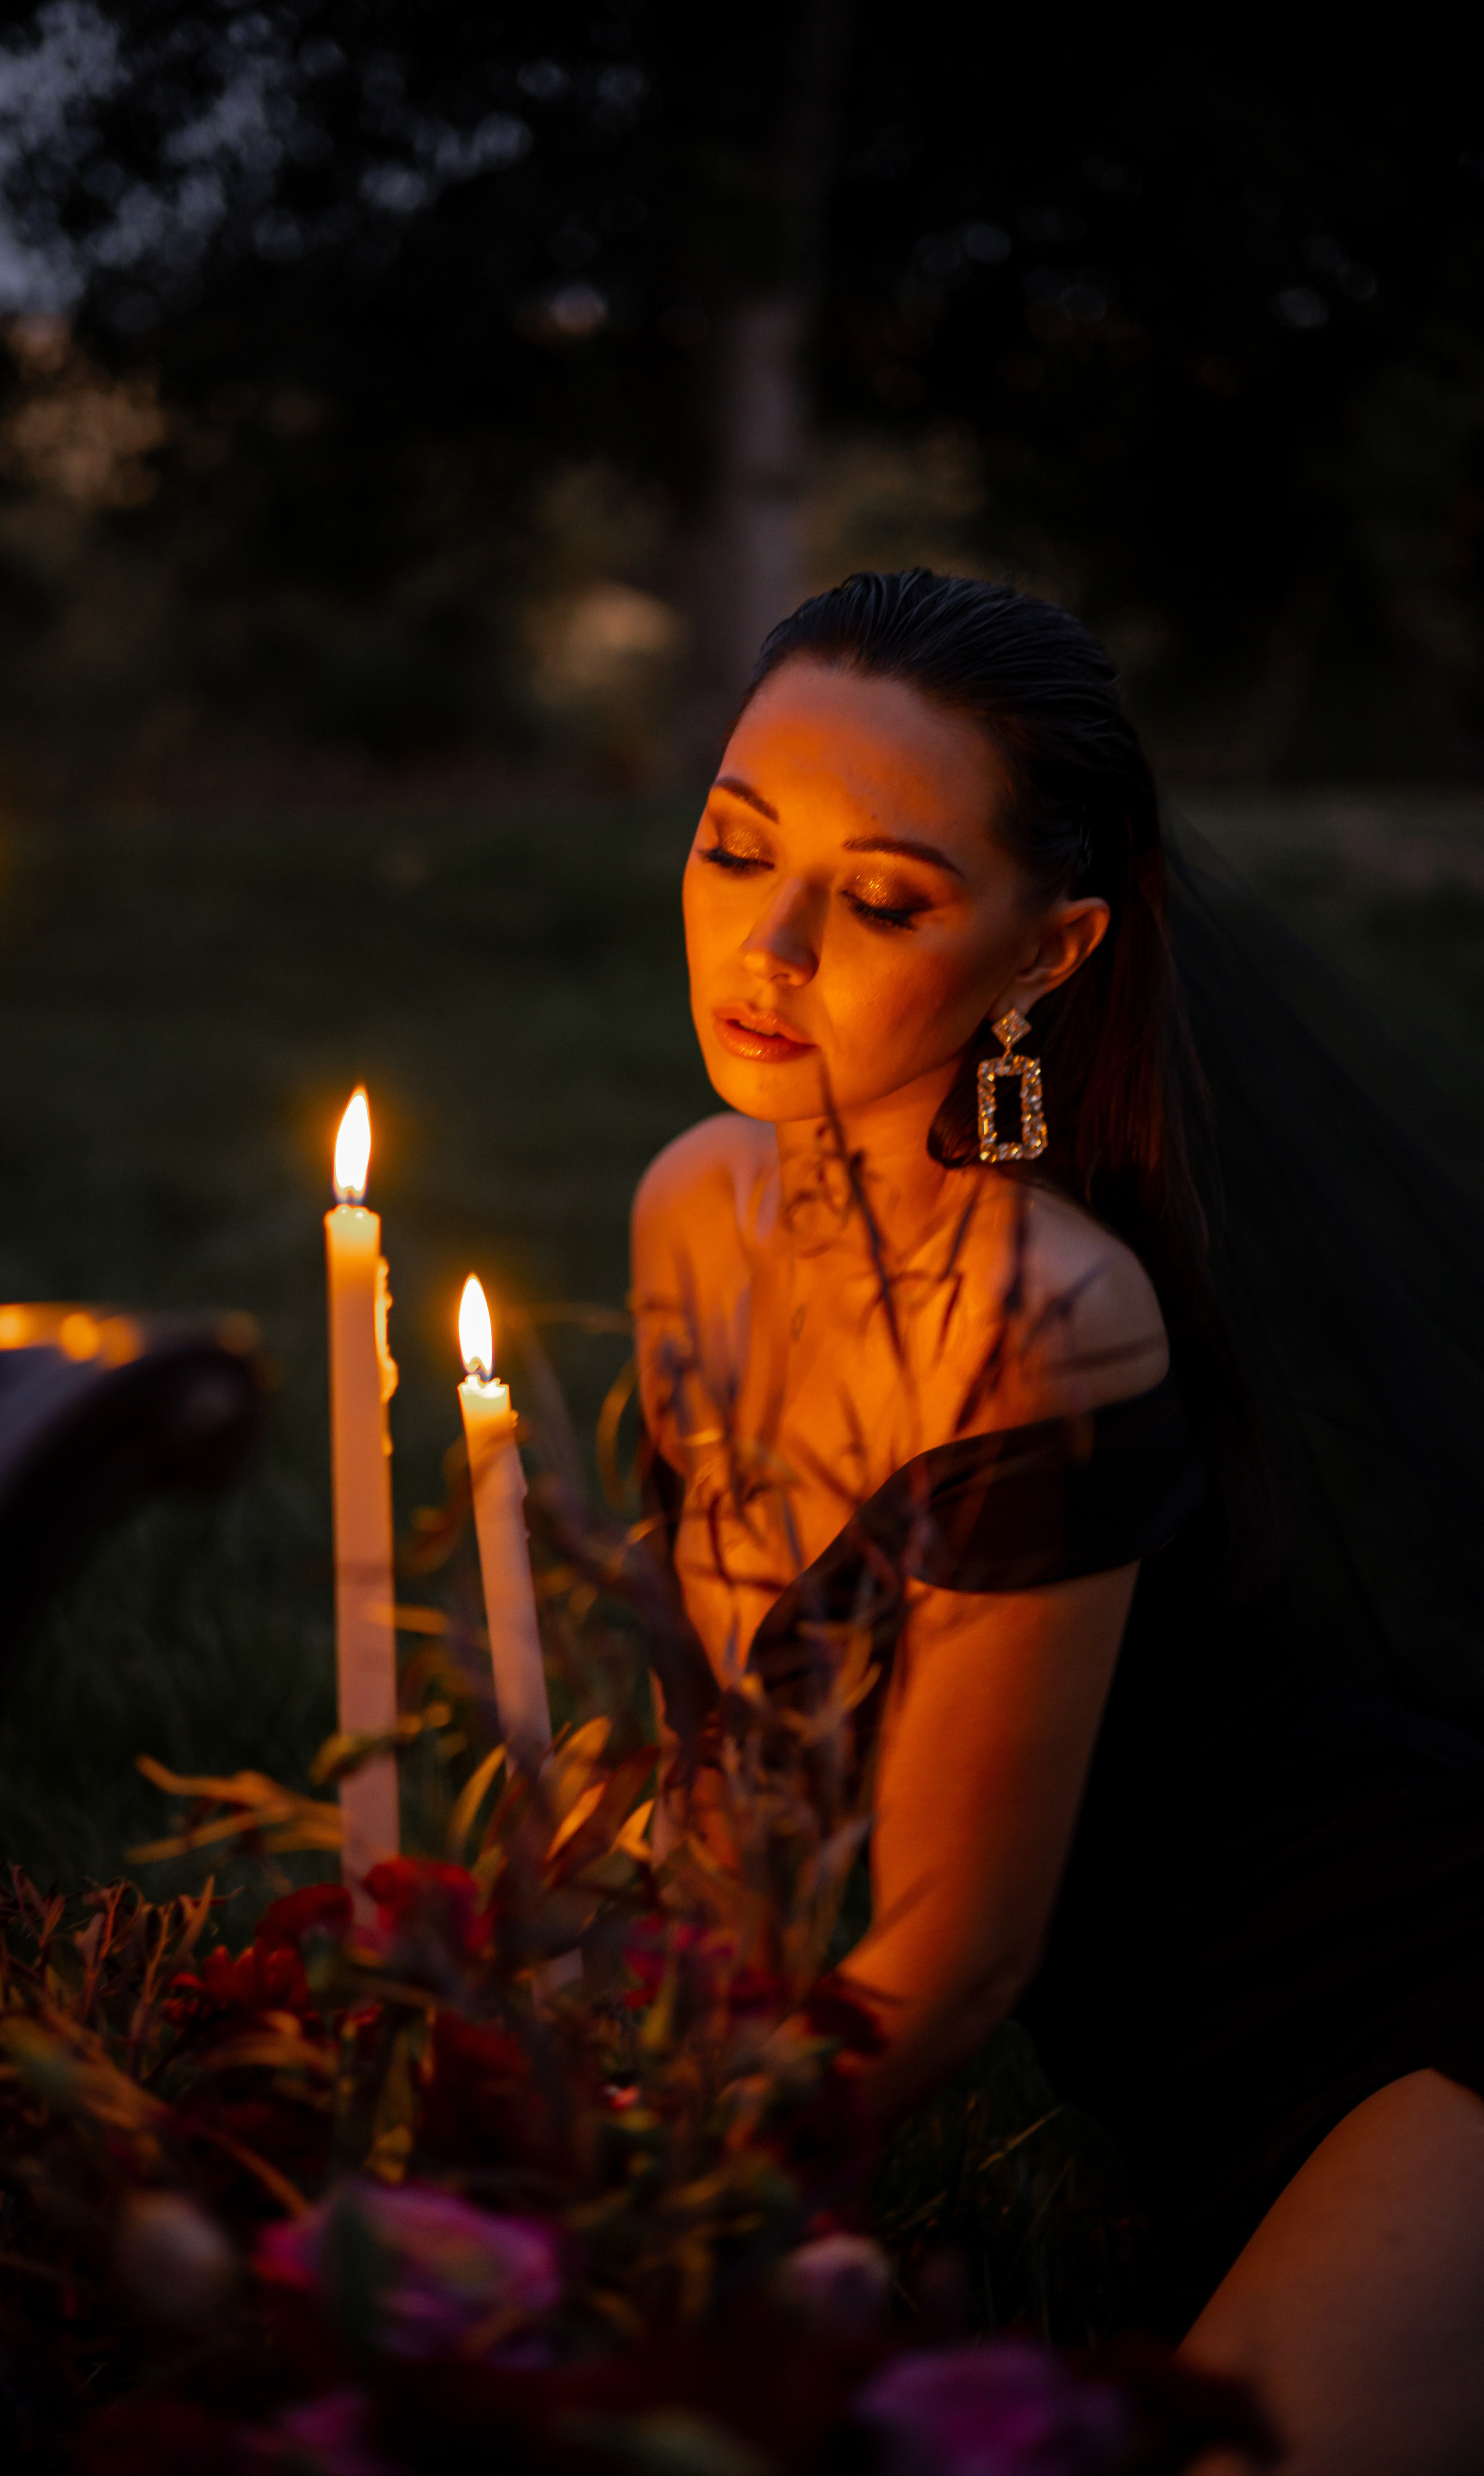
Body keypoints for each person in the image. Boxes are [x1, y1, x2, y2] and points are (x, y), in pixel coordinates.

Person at [630, 569, 1484, 2476]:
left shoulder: (1043, 1319)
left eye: (881, 899)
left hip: (1415, 2005)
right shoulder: (694, 1211)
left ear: (1044, 952)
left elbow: (952, 1954)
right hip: (1177, 2086)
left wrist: (603, 2186)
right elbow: (721, 1771)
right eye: (733, 848)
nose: (766, 944)